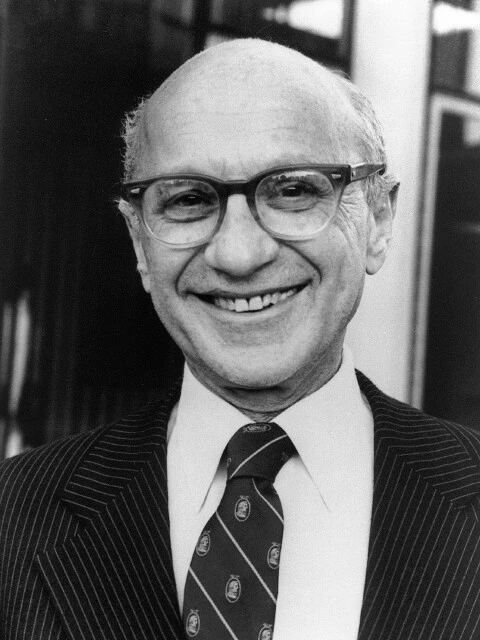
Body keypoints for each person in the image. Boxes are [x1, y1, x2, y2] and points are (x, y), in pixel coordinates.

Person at [1, 38, 479, 640]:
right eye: (188, 200)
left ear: (378, 218)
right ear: (139, 243)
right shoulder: (14, 517)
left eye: (293, 190)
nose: (238, 255)